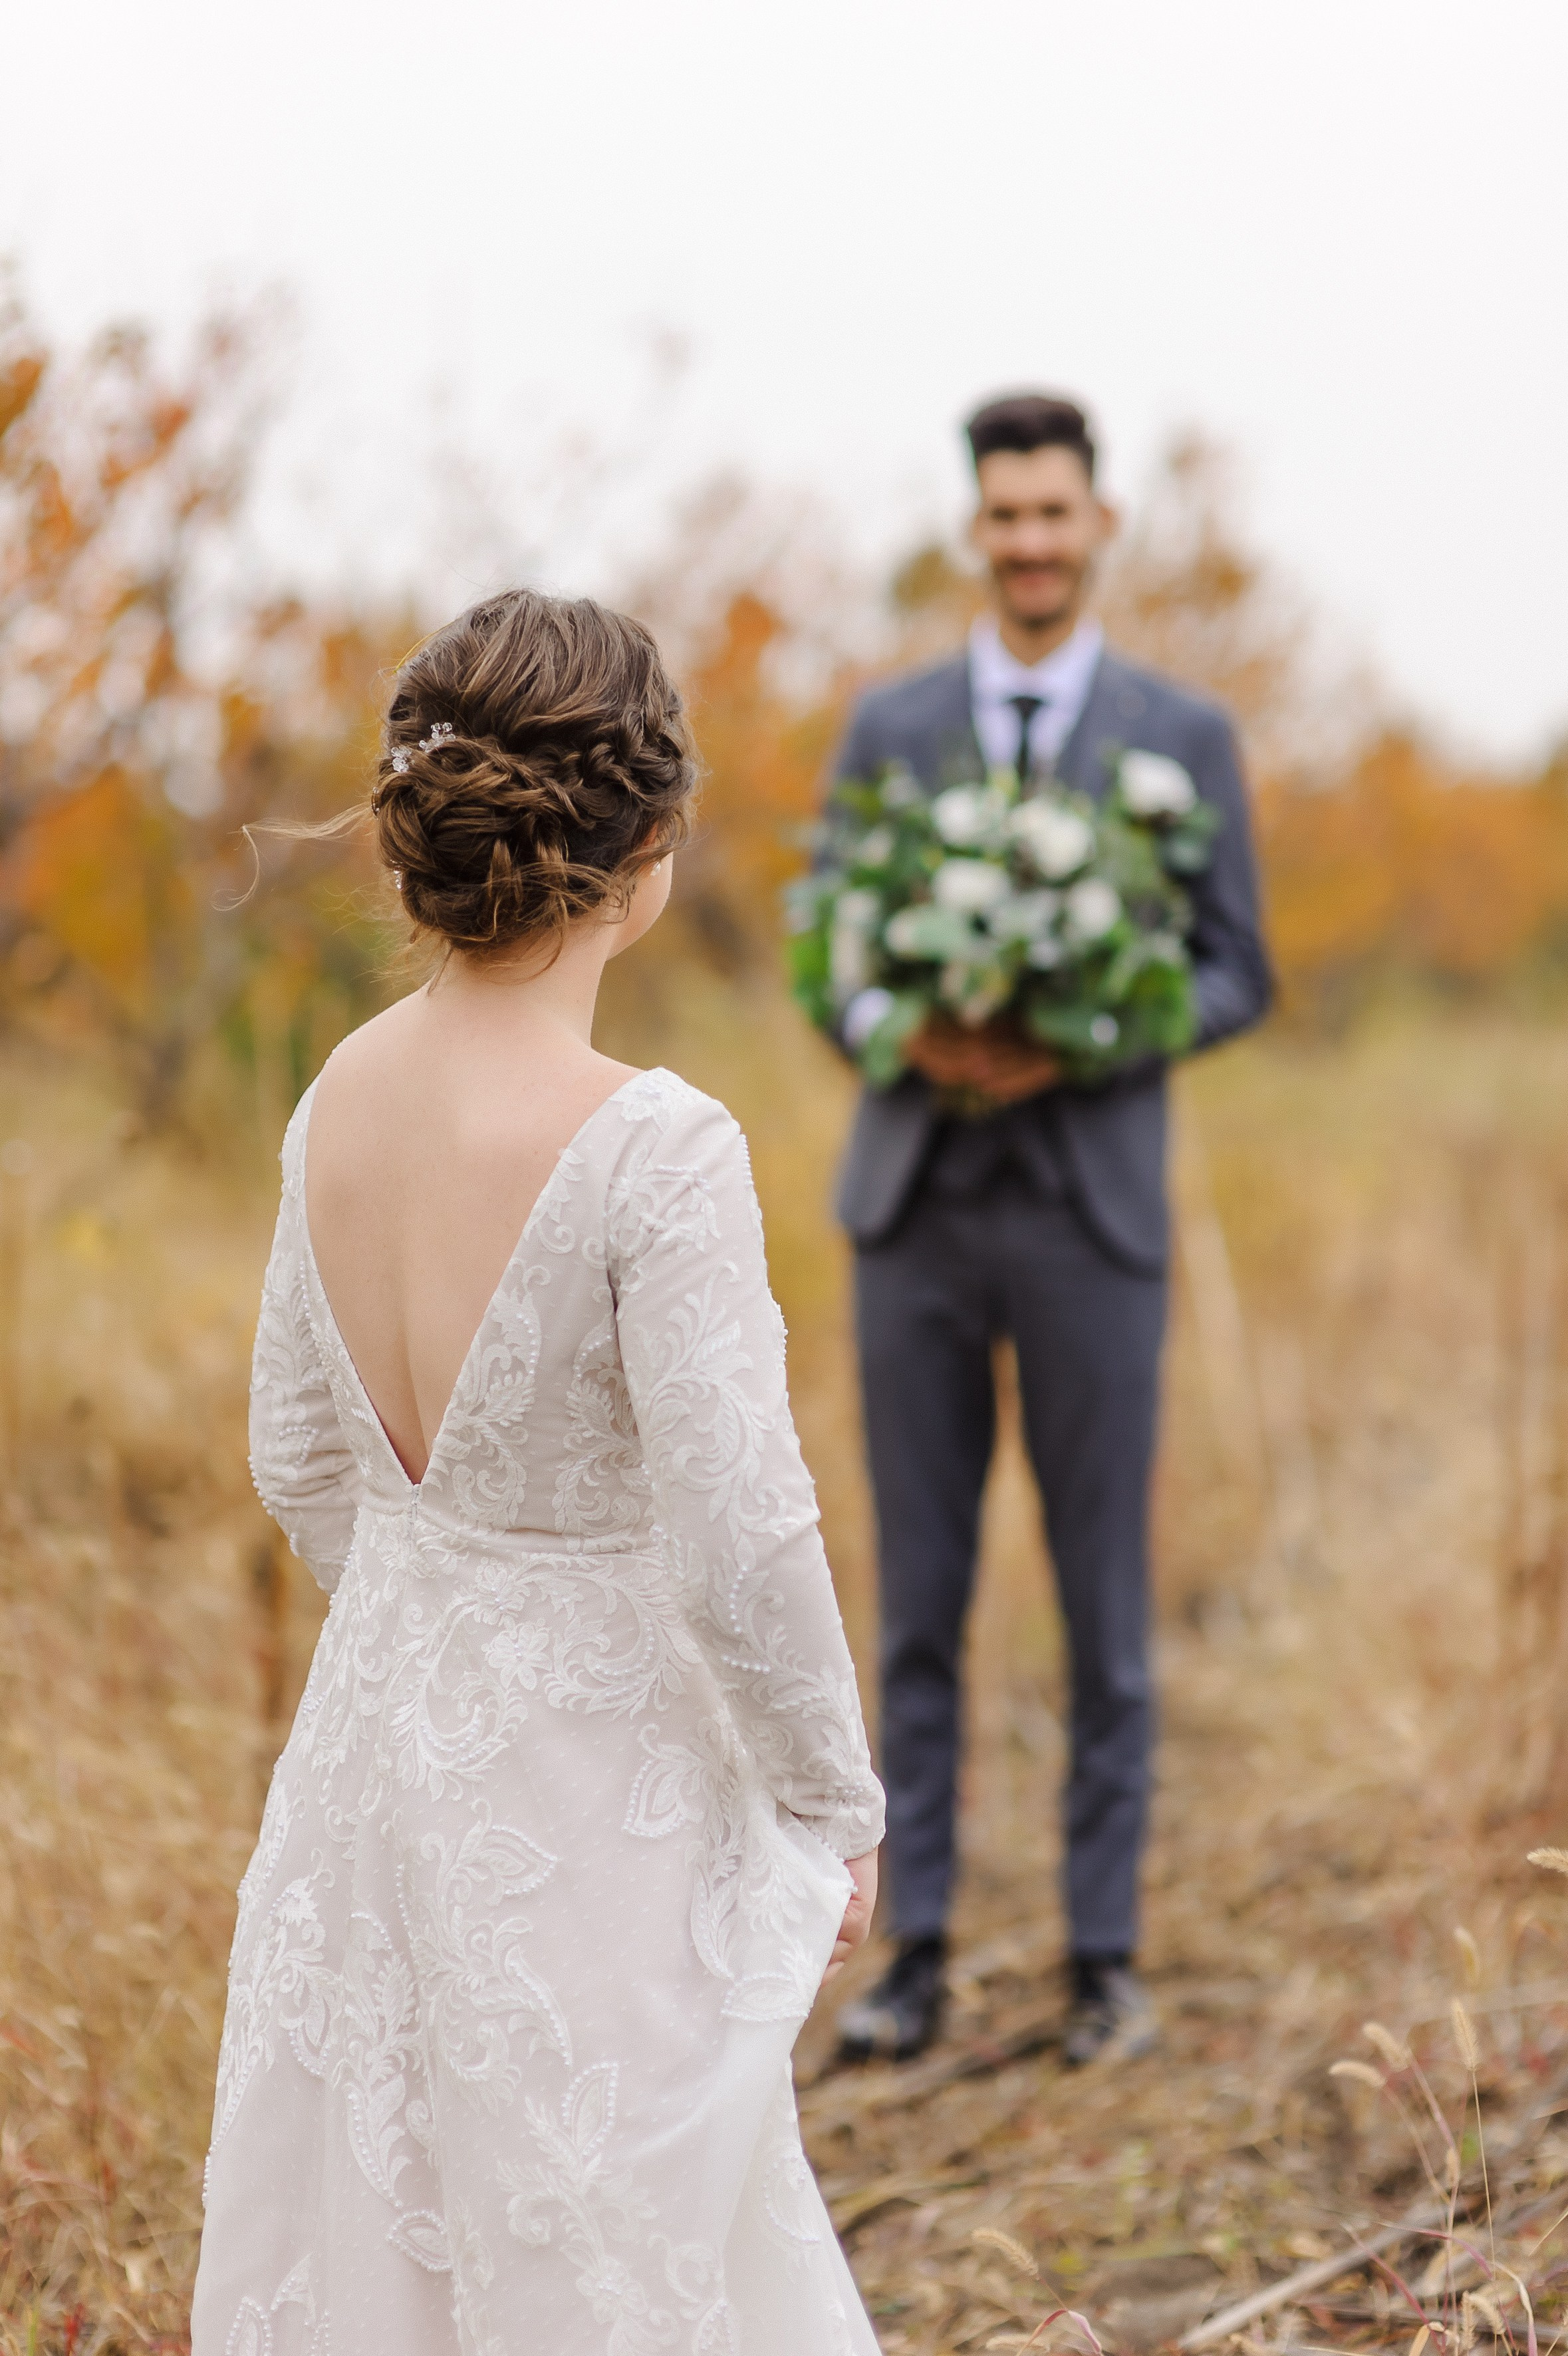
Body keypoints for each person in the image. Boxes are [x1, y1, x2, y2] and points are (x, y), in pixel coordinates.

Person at [191, 590, 885, 2355]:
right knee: (602, 2249)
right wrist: (824, 1806)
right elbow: (740, 1533)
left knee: (391, 2244)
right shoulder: (656, 1148)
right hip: (594, 1788)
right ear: (644, 845)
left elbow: (296, 1458)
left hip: (370, 1757)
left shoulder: (329, 1100)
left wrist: (442, 1632)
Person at [832, 394, 1271, 2068]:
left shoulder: (1189, 733)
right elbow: (834, 950)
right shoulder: (890, 725)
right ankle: (913, 1950)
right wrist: (900, 1031)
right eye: (1003, 514)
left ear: (1100, 526)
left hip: (1094, 1213)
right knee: (918, 1602)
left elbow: (1240, 967)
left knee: (1103, 1597)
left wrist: (1091, 1031)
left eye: (1053, 513)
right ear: (976, 531)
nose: (1028, 540)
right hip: (918, 1207)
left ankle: (1102, 1956)